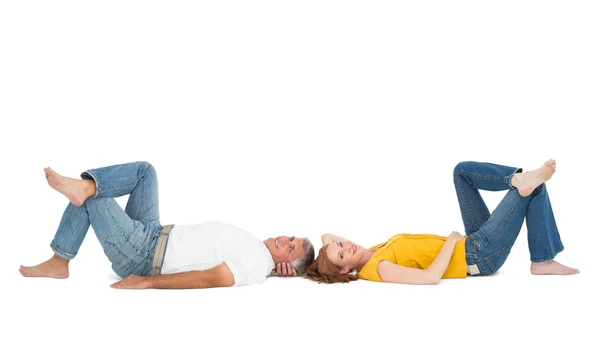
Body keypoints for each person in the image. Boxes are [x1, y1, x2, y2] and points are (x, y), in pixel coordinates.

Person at [19, 161, 315, 289]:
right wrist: (277, 272)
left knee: (96, 199)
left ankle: (61, 258)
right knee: (146, 172)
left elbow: (209, 279)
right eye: (291, 237)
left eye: (290, 249)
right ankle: (87, 187)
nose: (285, 241)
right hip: (153, 233)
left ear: (283, 264)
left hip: (144, 256)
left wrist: (147, 281)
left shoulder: (256, 262)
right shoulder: (257, 254)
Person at [306, 159, 579, 285]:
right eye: (342, 254)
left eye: (342, 244)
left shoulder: (372, 250)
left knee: (461, 172)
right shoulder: (378, 267)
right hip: (478, 256)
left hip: (471, 242)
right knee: (534, 188)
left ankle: (515, 179)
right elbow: (429, 277)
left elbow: (326, 236)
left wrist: (313, 264)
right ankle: (542, 261)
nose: (346, 246)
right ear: (344, 272)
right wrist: (451, 242)